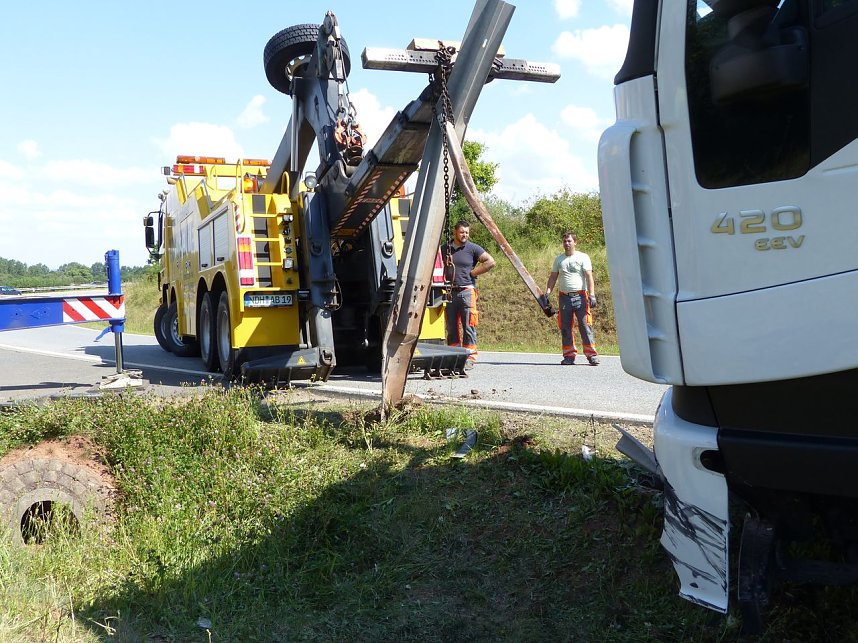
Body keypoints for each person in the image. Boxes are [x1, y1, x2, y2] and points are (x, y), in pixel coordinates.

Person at [441, 220, 496, 367]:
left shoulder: (473, 248)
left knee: (468, 324)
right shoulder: (444, 248)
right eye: (462, 232)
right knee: (451, 326)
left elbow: (490, 262)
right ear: (455, 232)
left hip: (467, 292)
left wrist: (474, 272)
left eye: (466, 232)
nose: (464, 235)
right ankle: (454, 355)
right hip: (449, 292)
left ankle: (470, 357)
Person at [545, 231, 600, 366]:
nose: (567, 243)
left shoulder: (583, 257)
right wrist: (547, 293)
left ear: (575, 242)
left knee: (585, 325)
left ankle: (591, 355)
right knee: (565, 327)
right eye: (565, 241)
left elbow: (588, 276)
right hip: (564, 298)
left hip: (580, 296)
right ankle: (569, 356)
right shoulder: (559, 259)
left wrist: (592, 295)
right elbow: (553, 277)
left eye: (569, 241)